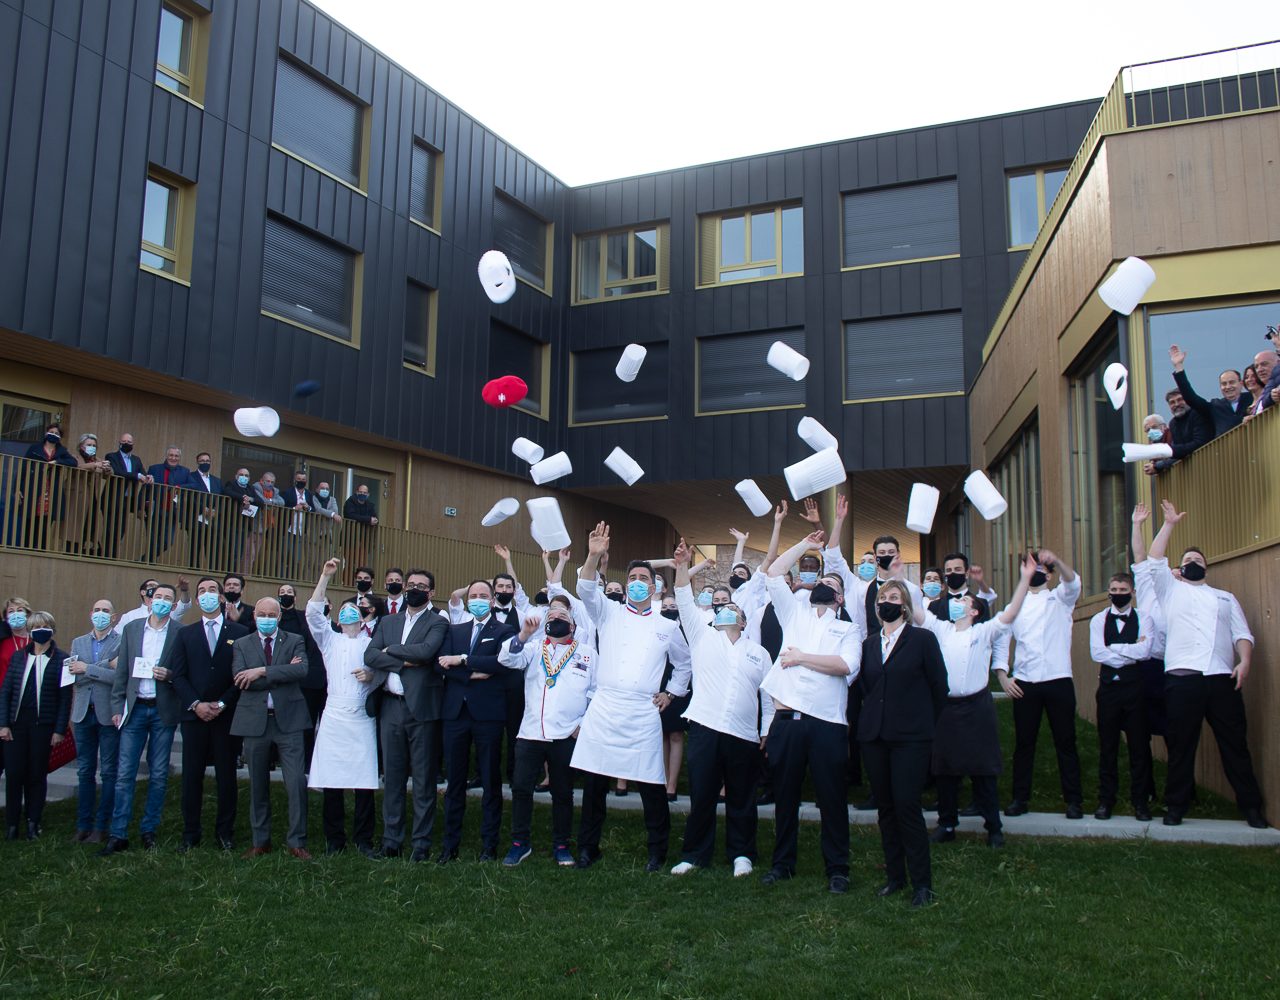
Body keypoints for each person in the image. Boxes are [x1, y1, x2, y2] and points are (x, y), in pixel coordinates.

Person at [574, 523, 692, 871]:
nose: (638, 581)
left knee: (651, 786)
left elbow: (684, 664)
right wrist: (594, 555)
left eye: (645, 577)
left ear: (654, 586)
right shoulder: (606, 611)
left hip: (642, 712)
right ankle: (587, 848)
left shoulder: (666, 623)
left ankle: (657, 852)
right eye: (633, 577)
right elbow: (584, 587)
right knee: (594, 783)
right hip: (605, 707)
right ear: (626, 585)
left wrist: (671, 693)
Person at [1145, 501, 1266, 828]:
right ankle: (1175, 808)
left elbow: (1242, 633)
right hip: (1182, 680)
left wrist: (1245, 662)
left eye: (1198, 559)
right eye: (1187, 560)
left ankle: (1252, 808)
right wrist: (1168, 525)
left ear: (1207, 567)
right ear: (1180, 570)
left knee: (1235, 745)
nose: (1193, 562)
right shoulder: (1169, 591)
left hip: (1221, 680)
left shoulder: (1225, 598)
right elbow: (1155, 558)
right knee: (1182, 746)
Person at [758, 529, 860, 893]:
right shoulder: (794, 615)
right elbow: (773, 572)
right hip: (787, 722)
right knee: (785, 797)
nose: (824, 586)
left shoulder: (849, 629)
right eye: (821, 581)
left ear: (840, 597)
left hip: (827, 725)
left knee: (832, 798)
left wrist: (801, 658)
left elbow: (845, 666)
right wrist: (805, 544)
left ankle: (838, 868)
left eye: (831, 583)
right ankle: (782, 864)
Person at [914, 556, 1034, 847]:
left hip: (977, 707)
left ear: (976, 610)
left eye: (965, 602)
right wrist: (896, 575)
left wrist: (1025, 579)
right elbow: (916, 611)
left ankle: (993, 827)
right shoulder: (940, 629)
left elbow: (1011, 612)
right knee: (944, 770)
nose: (958, 603)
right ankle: (947, 824)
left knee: (983, 769)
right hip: (946, 708)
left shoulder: (984, 631)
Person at [669, 539, 770, 877]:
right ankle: (695, 853)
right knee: (702, 794)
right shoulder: (702, 636)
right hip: (705, 727)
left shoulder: (759, 653)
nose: (729, 612)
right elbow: (683, 598)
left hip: (743, 733)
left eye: (735, 611)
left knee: (742, 796)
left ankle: (742, 854)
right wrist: (682, 565)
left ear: (743, 621)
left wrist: (766, 729)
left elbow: (767, 695)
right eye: (724, 610)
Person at [858, 581, 948, 907]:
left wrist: (925, 726)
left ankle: (922, 884)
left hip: (911, 738)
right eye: (883, 598)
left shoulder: (922, 639)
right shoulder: (869, 644)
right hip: (875, 738)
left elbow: (940, 686)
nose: (887, 602)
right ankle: (895, 877)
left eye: (894, 598)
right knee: (886, 810)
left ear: (905, 605)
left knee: (907, 807)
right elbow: (868, 687)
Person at [497, 601, 597, 867]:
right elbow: (506, 658)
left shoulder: (587, 653)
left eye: (562, 615)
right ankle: (520, 843)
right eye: (551, 616)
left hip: (566, 734)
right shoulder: (532, 648)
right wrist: (524, 634)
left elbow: (596, 692)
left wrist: (582, 725)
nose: (556, 618)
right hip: (531, 732)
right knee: (521, 789)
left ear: (573, 625)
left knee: (563, 793)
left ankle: (562, 845)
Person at [364, 568, 449, 860]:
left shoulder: (438, 622)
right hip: (390, 706)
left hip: (422, 708)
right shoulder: (388, 621)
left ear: (431, 593)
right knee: (394, 777)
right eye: (410, 584)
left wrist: (392, 652)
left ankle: (421, 843)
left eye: (421, 586)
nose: (414, 589)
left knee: (424, 780)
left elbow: (426, 653)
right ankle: (391, 841)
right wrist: (403, 660)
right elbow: (370, 655)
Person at [994, 548, 1085, 819]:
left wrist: (1055, 559)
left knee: (1066, 742)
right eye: (1029, 567)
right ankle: (1019, 799)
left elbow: (1073, 582)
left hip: (1058, 680)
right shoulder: (1015, 606)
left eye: (1040, 568)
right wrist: (1002, 676)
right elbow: (1001, 643)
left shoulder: (1060, 599)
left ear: (1049, 574)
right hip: (1026, 683)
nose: (1035, 572)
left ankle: (1074, 801)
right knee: (1024, 744)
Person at [434, 579, 517, 862]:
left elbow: (502, 663)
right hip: (456, 713)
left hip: (488, 716)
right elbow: (440, 663)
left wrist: (463, 660)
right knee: (454, 782)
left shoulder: (505, 630)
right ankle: (450, 845)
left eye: (484, 595)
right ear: (467, 599)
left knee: (491, 781)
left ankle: (489, 846)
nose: (478, 599)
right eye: (474, 595)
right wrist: (469, 672)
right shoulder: (455, 629)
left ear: (493, 599)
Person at [167, 578, 251, 852]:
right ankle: (191, 833)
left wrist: (222, 704)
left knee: (227, 777)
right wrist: (196, 704)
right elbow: (177, 675)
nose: (206, 595)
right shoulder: (185, 634)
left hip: (226, 717)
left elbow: (241, 675)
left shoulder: (239, 632)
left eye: (211, 591)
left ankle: (224, 833)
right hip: (194, 717)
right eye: (201, 591)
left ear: (222, 596)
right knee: (192, 777)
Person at [98, 583, 182, 856]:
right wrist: (116, 705)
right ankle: (118, 833)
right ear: (149, 600)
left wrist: (168, 675)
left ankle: (149, 830)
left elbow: (183, 672)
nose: (161, 601)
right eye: (157, 596)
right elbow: (121, 671)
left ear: (173, 605)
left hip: (162, 709)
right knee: (125, 774)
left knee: (158, 774)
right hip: (133, 709)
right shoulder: (132, 629)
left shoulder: (180, 633)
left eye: (167, 598)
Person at [230, 598, 312, 859]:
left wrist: (262, 671)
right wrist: (279, 672)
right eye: (262, 614)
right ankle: (260, 840)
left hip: (289, 720)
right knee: (257, 783)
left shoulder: (294, 639)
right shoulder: (242, 644)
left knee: (296, 782)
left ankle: (297, 841)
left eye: (271, 614)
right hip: (255, 721)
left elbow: (301, 671)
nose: (266, 618)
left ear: (279, 617)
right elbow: (242, 679)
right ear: (254, 616)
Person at [307, 560, 378, 858]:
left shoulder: (372, 643)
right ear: (337, 618)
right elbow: (313, 612)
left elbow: (385, 668)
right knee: (332, 780)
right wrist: (324, 576)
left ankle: (363, 840)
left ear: (363, 619)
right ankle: (334, 840)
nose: (349, 614)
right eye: (344, 612)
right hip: (334, 714)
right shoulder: (329, 640)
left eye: (355, 612)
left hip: (361, 716)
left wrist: (373, 676)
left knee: (364, 783)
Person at [1087, 572, 1154, 822]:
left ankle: (1141, 802)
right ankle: (1106, 800)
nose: (1117, 593)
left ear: (1132, 592)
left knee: (1138, 746)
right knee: (1108, 747)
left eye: (1123, 589)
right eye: (1113, 588)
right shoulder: (1098, 620)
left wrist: (1114, 648)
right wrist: (1129, 652)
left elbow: (1145, 652)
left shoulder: (1144, 618)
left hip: (1135, 690)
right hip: (1108, 692)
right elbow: (1096, 653)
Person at [0, 612, 70, 839]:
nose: (40, 630)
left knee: (36, 774)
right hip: (16, 724)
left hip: (43, 725)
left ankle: (33, 822)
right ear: (29, 631)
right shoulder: (19, 657)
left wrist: (59, 730)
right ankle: (12, 824)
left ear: (52, 629)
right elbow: (6, 693)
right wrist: (3, 724)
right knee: (13, 773)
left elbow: (65, 698)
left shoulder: (62, 659)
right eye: (35, 626)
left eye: (44, 626)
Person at [68, 600, 122, 843]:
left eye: (106, 611)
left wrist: (87, 668)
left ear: (114, 617)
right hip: (82, 713)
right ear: (90, 614)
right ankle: (83, 825)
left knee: (109, 772)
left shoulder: (121, 641)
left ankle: (102, 826)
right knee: (85, 771)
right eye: (97, 610)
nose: (101, 614)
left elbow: (118, 676)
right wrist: (101, 668)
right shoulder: (78, 642)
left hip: (108, 713)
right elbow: (72, 676)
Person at [277, 582, 327, 770]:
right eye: (282, 592)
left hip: (316, 681)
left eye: (290, 592)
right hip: (291, 676)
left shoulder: (305, 620)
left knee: (315, 725)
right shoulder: (276, 619)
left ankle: (314, 763)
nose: (286, 595)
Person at [1168, 345, 1252, 438]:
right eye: (1224, 384)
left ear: (1241, 383)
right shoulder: (1216, 406)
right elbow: (1191, 398)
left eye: (1231, 382)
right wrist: (1179, 367)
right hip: (1228, 451)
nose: (1228, 387)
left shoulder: (1252, 397)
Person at [19, 423, 78, 550]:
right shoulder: (35, 448)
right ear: (46, 433)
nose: (53, 434)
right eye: (51, 432)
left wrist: (57, 462)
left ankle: (41, 551)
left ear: (60, 437)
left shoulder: (62, 451)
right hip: (34, 489)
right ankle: (27, 549)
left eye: (56, 433)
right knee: (30, 522)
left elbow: (73, 462)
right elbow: (23, 468)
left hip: (51, 492)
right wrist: (18, 487)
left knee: (46, 524)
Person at [104, 433, 152, 558]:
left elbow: (143, 473)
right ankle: (108, 555)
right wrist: (136, 476)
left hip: (127, 499)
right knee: (111, 529)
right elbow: (118, 471)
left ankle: (112, 555)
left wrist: (148, 477)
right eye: (124, 441)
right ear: (119, 442)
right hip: (112, 498)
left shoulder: (136, 459)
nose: (126, 444)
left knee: (121, 529)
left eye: (129, 442)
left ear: (133, 444)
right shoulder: (111, 456)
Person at [145, 446, 192, 559]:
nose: (173, 458)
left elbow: (194, 485)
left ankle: (145, 559)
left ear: (179, 458)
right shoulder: (154, 469)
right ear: (166, 456)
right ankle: (149, 562)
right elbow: (146, 488)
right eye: (171, 455)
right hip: (155, 509)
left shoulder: (185, 471)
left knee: (167, 542)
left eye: (176, 456)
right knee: (153, 539)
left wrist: (179, 487)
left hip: (173, 512)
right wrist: (142, 505)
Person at [69, 432, 111, 555]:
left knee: (89, 525)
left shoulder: (98, 460)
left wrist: (107, 468)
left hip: (92, 497)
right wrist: (94, 465)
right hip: (77, 497)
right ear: (81, 446)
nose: (92, 447)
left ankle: (86, 547)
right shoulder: (74, 457)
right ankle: (71, 550)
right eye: (89, 444)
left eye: (94, 445)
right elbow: (77, 467)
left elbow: (110, 473)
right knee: (74, 528)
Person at [186, 452, 223, 568]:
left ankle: (212, 572)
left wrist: (216, 511)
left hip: (212, 519)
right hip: (196, 517)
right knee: (195, 546)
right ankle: (193, 568)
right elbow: (189, 496)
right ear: (197, 462)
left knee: (212, 548)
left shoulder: (217, 481)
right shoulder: (191, 476)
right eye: (202, 461)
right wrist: (203, 509)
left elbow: (221, 499)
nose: (205, 463)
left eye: (207, 461)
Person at [221, 468, 259, 572]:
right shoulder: (231, 484)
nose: (244, 477)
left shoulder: (250, 488)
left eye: (246, 475)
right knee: (233, 551)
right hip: (231, 522)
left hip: (244, 525)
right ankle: (229, 572)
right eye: (241, 474)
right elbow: (227, 492)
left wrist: (250, 499)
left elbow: (259, 501)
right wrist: (243, 498)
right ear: (236, 476)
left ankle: (233, 571)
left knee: (240, 552)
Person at [118, 576, 191, 629]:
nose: (154, 588)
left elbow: (184, 604)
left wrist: (184, 590)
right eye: (151, 586)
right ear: (143, 592)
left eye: (157, 587)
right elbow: (117, 638)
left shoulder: (168, 609)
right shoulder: (129, 616)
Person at [279, 470, 316, 576]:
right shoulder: (287, 492)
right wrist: (295, 508)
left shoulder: (309, 494)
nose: (301, 481)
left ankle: (293, 578)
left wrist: (307, 507)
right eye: (299, 479)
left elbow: (313, 510)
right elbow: (281, 508)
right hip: (288, 529)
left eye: (303, 480)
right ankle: (282, 577)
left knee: (298, 558)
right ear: (295, 480)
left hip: (301, 531)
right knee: (285, 556)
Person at [343, 485, 377, 570]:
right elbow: (350, 515)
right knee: (350, 563)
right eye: (361, 492)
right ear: (357, 492)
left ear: (368, 494)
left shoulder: (369, 505)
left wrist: (374, 520)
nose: (363, 494)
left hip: (364, 539)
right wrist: (368, 519)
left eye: (365, 493)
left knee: (362, 564)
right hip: (350, 538)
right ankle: (348, 582)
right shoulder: (350, 502)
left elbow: (375, 518)